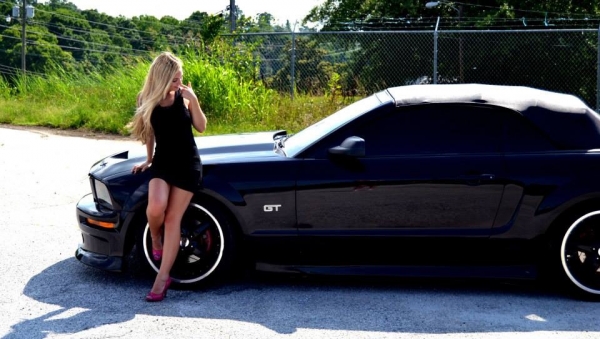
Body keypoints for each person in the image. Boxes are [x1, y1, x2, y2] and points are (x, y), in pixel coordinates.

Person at [129, 51, 207, 302]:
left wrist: (193, 100)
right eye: (174, 80)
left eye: (180, 78)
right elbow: (149, 134)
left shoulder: (183, 96)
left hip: (188, 164)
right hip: (162, 163)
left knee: (173, 218)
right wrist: (149, 160)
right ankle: (155, 238)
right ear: (161, 78)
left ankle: (162, 279)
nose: (179, 83)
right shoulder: (145, 98)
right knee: (155, 208)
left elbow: (201, 126)